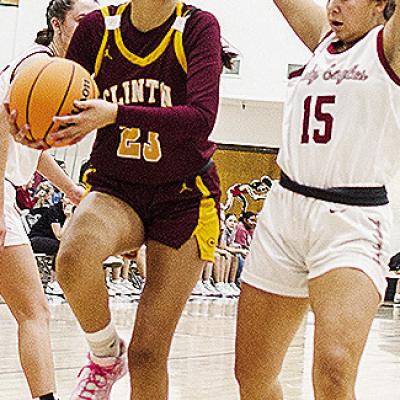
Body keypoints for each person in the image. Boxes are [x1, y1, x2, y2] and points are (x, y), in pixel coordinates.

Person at [13, 1, 235, 399]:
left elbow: (202, 118)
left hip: (184, 197)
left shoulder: (198, 27)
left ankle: (125, 359)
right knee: (73, 256)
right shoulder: (99, 28)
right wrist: (39, 129)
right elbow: (69, 110)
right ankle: (104, 355)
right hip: (118, 188)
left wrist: (115, 113)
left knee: (148, 353)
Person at [235, 0, 399, 399]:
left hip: (351, 218)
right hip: (284, 212)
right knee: (252, 375)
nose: (334, 5)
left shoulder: (388, 47)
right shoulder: (323, 39)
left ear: (381, 5)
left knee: (334, 370)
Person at [0, 1, 98, 399]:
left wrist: (70, 189)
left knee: (32, 312)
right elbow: (2, 126)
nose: (89, 26)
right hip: (0, 190)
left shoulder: (51, 71)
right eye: (80, 19)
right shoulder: (35, 65)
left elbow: (31, 145)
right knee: (34, 312)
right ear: (57, 23)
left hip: (7, 189)